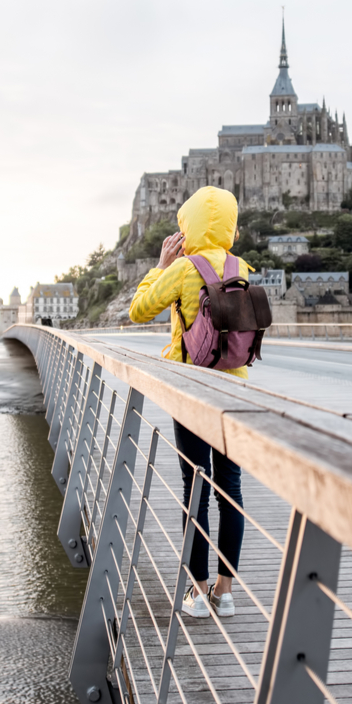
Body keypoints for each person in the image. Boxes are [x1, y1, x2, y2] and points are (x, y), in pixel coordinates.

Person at [127, 186, 250, 620]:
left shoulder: (182, 268)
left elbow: (138, 310)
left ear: (188, 225)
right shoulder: (241, 267)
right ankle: (226, 591)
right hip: (235, 391)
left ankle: (197, 595)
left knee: (195, 489)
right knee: (229, 490)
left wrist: (159, 267)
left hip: (192, 388)